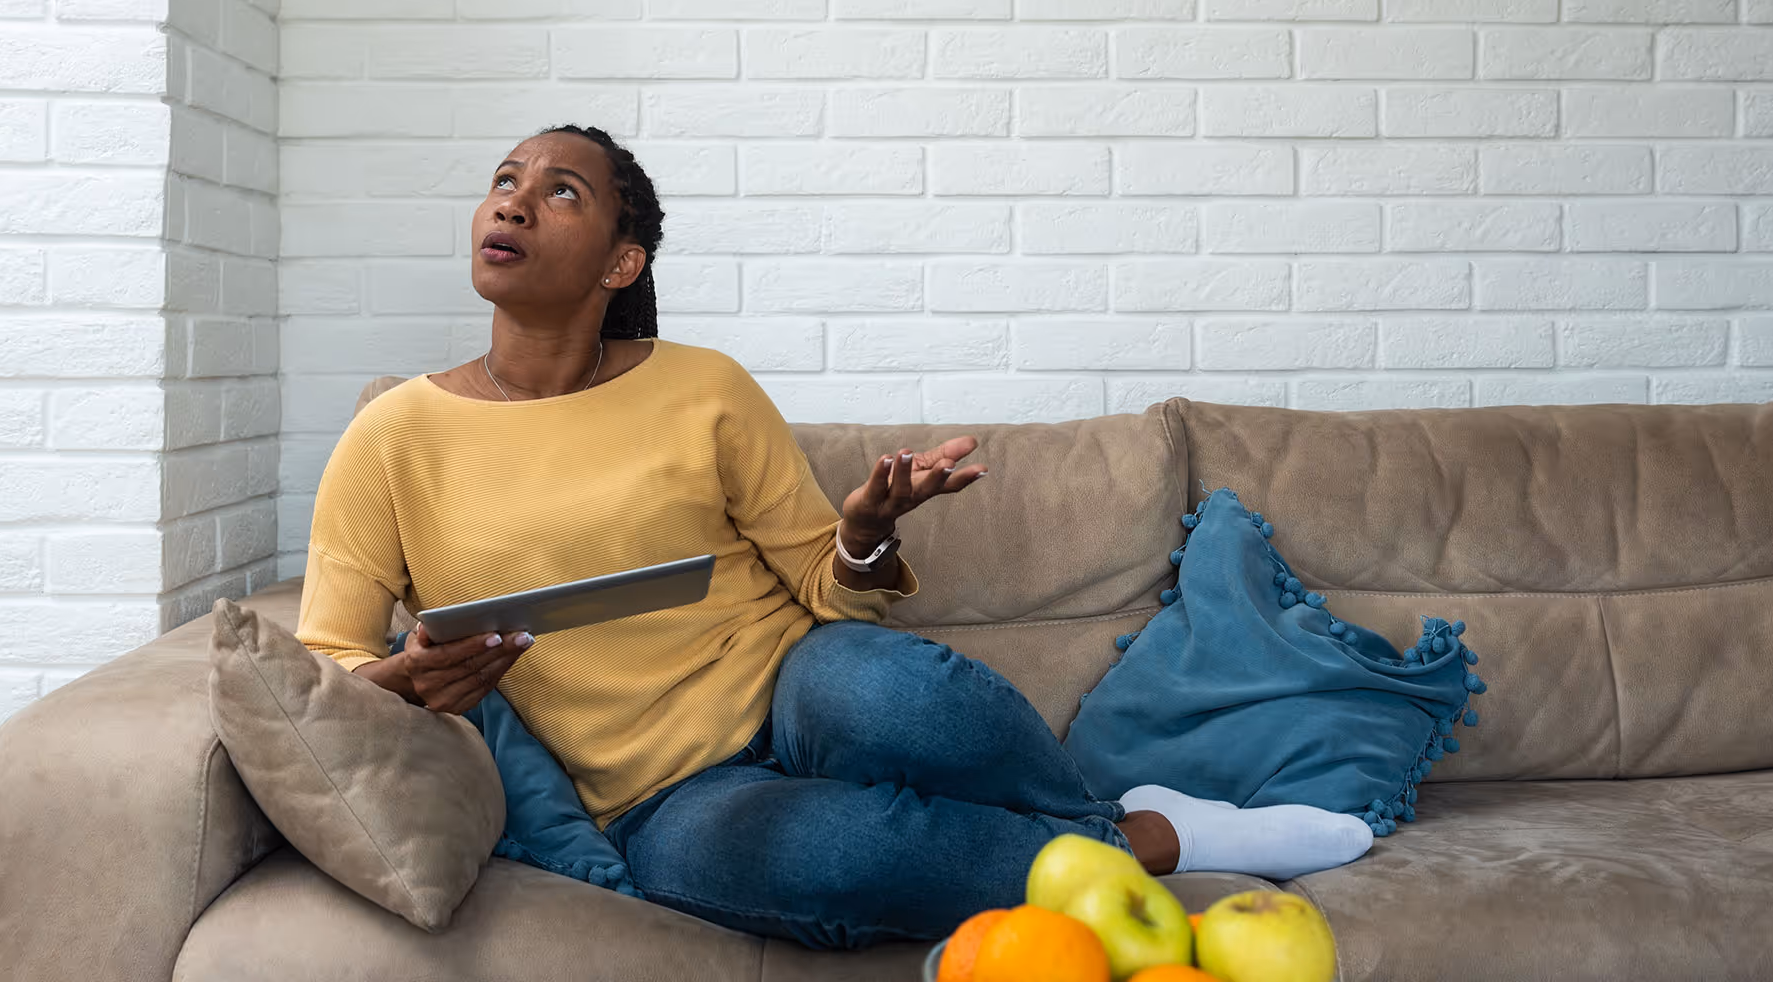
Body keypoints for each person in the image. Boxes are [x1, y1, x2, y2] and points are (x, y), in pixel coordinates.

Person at [296, 124, 1372, 949]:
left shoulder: (702, 388)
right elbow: (324, 658)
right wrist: (405, 681)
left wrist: (859, 535)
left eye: (557, 192)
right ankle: (1146, 838)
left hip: (794, 680)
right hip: (658, 800)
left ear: (621, 264)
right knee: (840, 857)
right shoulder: (394, 436)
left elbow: (827, 583)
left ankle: (1102, 820)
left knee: (902, 694)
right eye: (505, 183)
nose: (515, 203)